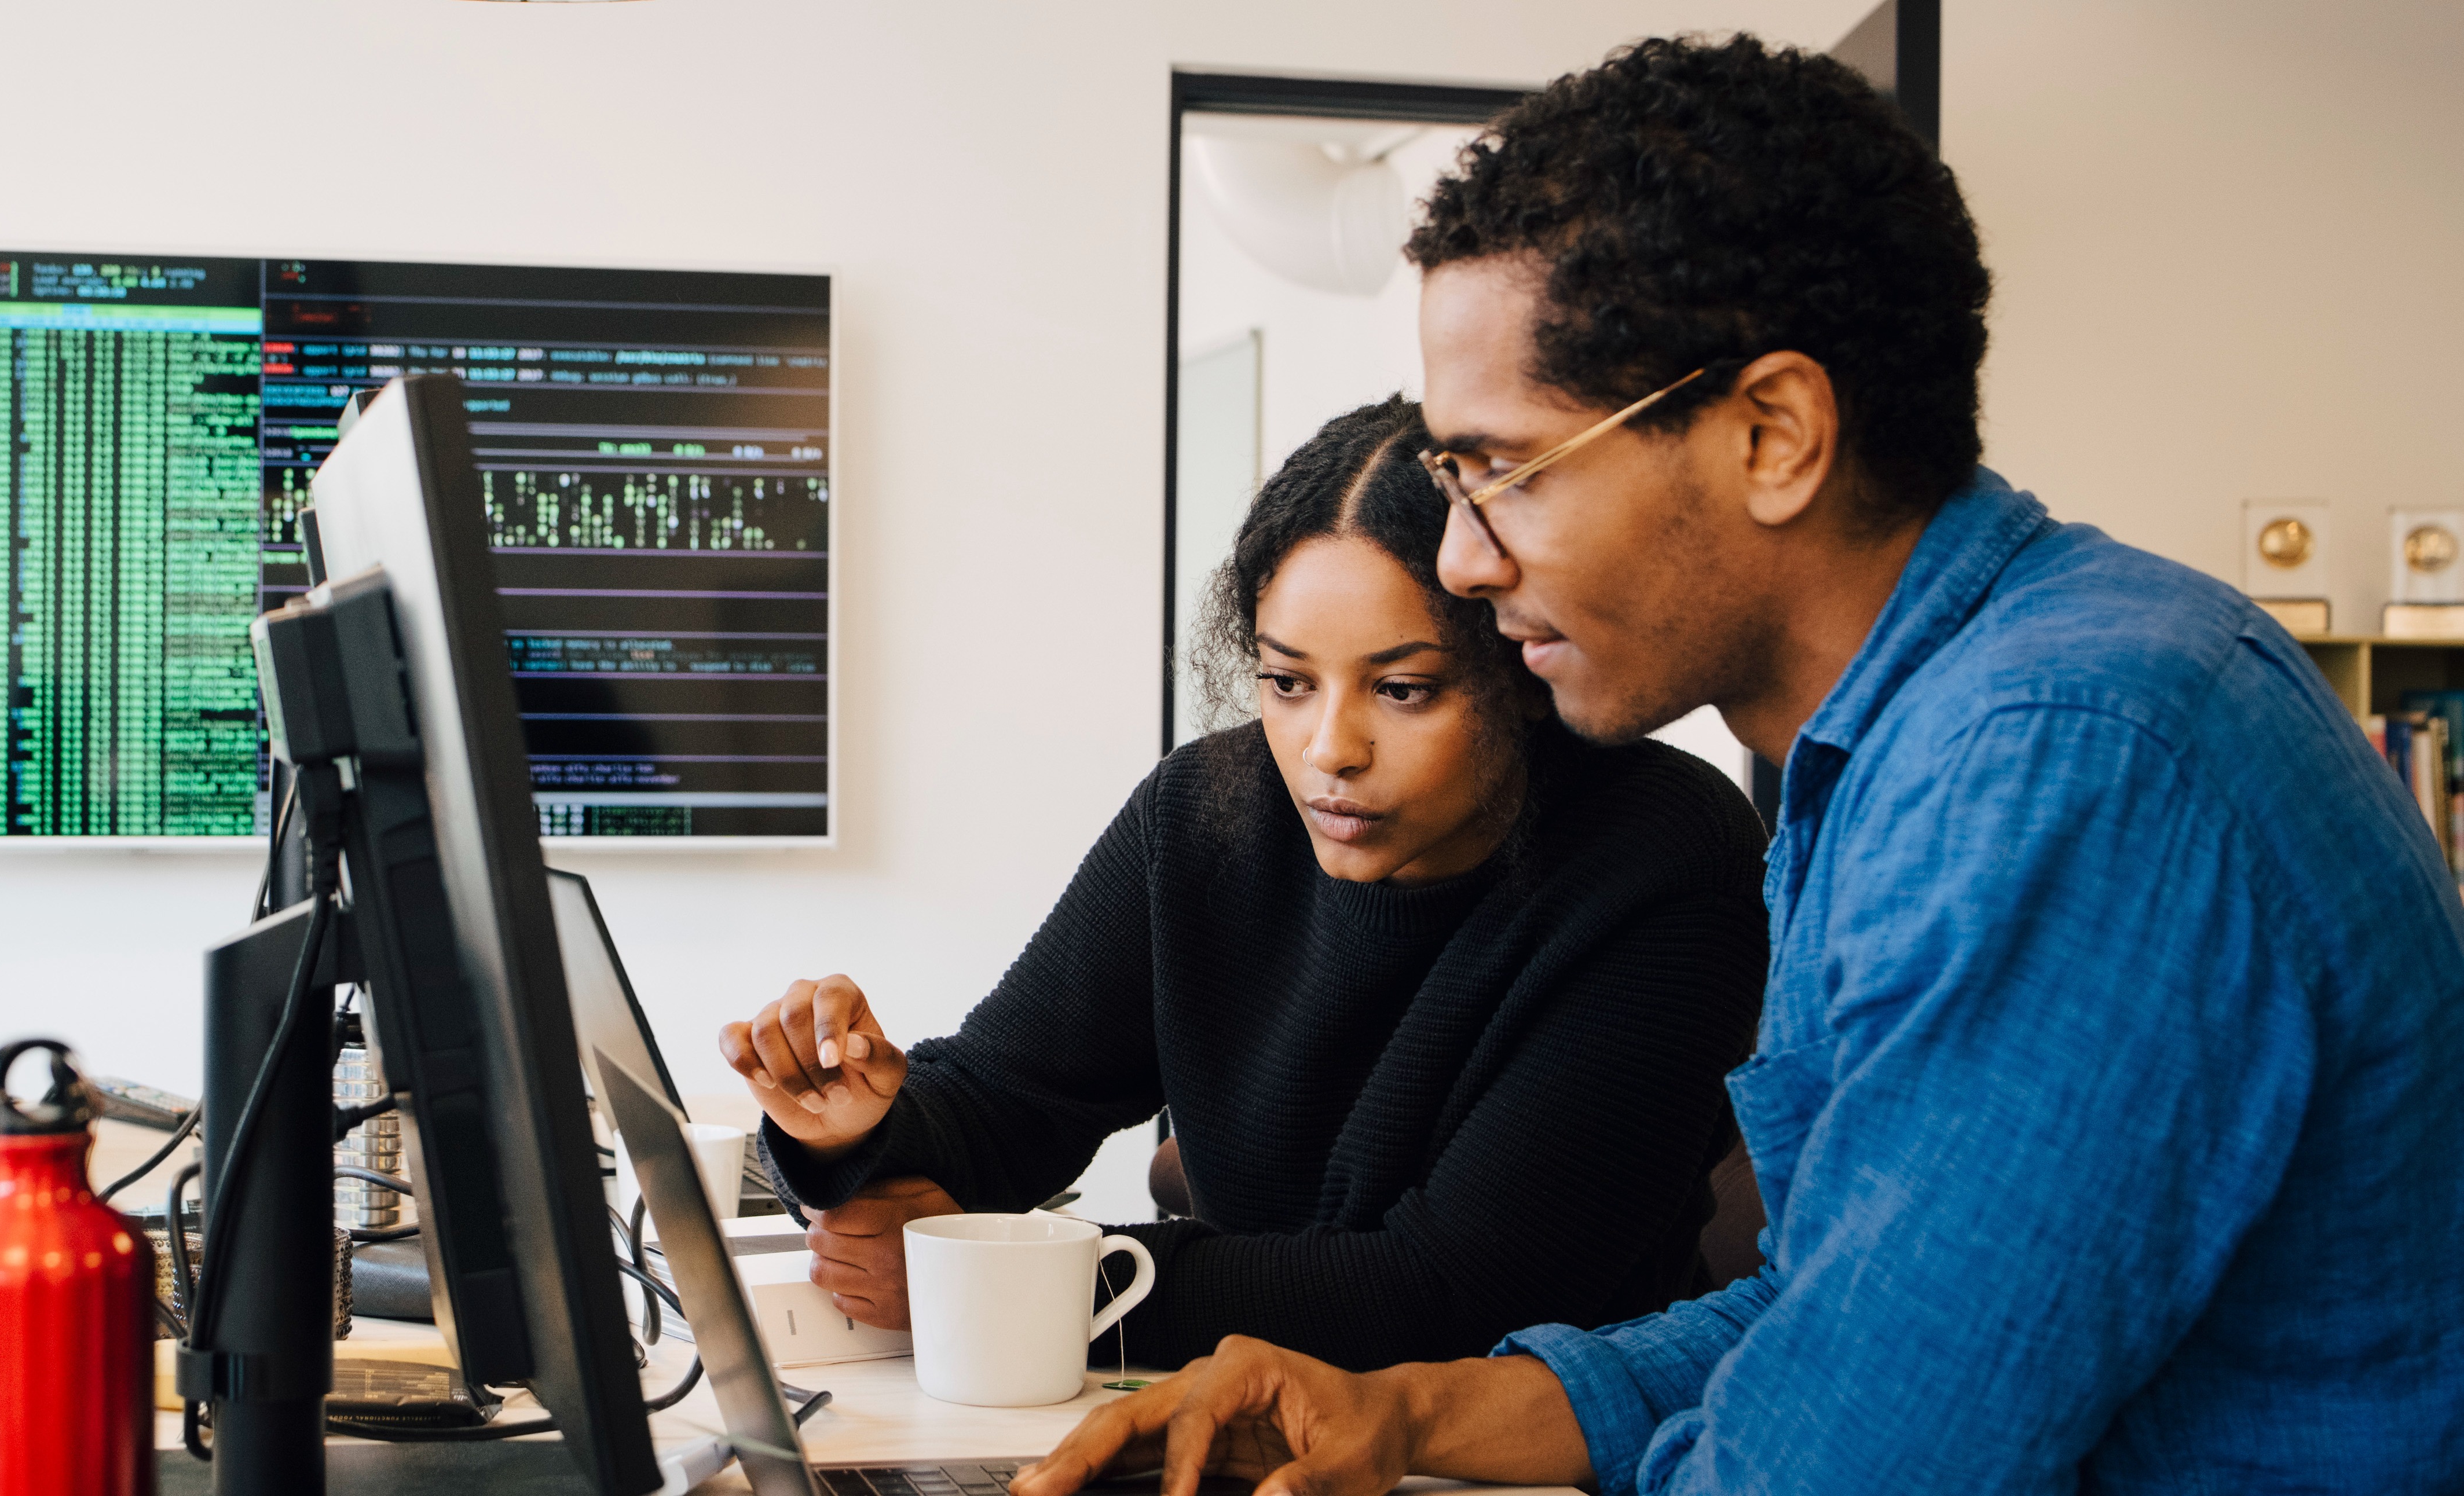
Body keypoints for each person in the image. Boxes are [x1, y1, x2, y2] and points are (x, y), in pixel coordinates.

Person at [1015, 35, 2464, 1496]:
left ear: (1772, 434)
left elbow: (1847, 1465)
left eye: (1497, 473)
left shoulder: (2062, 766)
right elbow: (1821, 1317)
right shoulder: (1894, 750)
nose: (1460, 556)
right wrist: (1406, 1415)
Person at [716, 396, 1771, 1374]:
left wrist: (1018, 1285)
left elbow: (1458, 1293)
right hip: (1245, 1417)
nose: (1328, 751)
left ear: (1520, 672)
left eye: (1402, 690)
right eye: (1286, 681)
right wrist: (851, 1129)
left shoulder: (1661, 856)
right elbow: (1010, 1096)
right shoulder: (1207, 812)